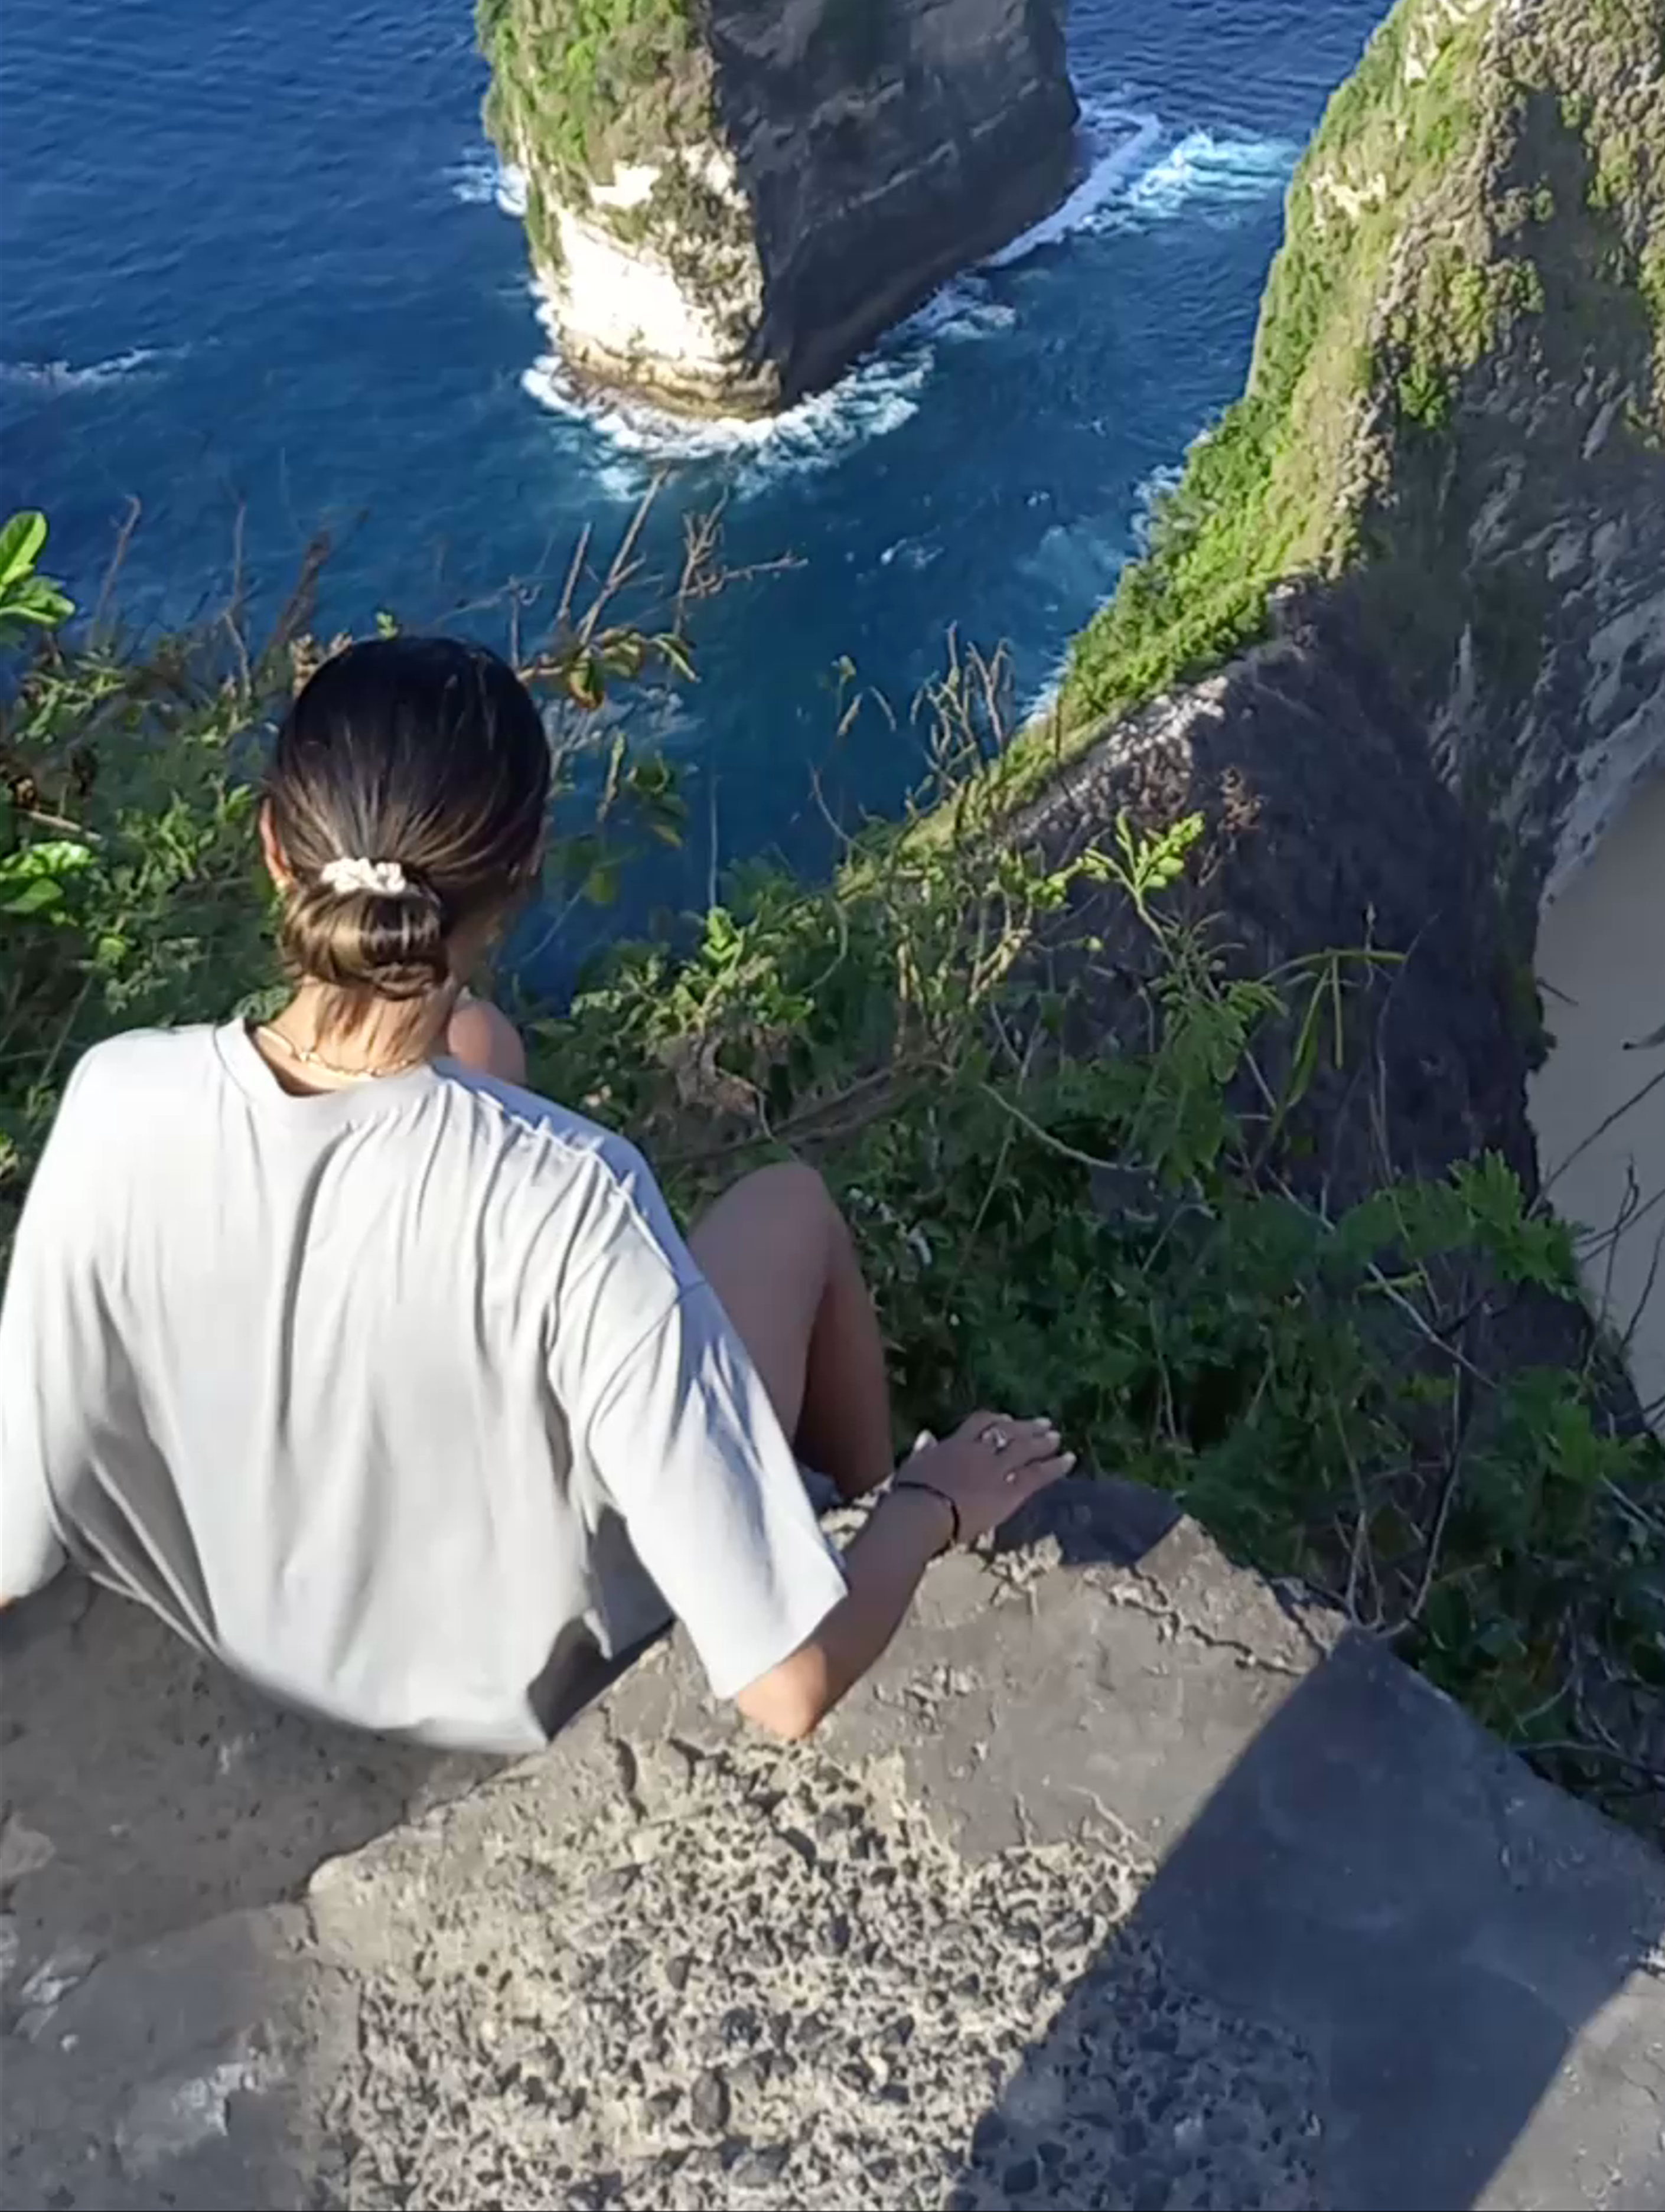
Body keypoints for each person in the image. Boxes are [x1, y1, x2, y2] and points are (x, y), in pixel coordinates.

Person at [0, 632, 1070, 1753]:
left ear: (275, 845)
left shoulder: (117, 1096)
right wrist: (926, 1508)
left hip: (249, 1636)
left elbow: (19, 1541)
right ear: (518, 880)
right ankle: (829, 1524)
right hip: (493, 1685)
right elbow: (787, 1688)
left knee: (481, 1043)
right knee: (790, 1206)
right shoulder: (577, 1201)